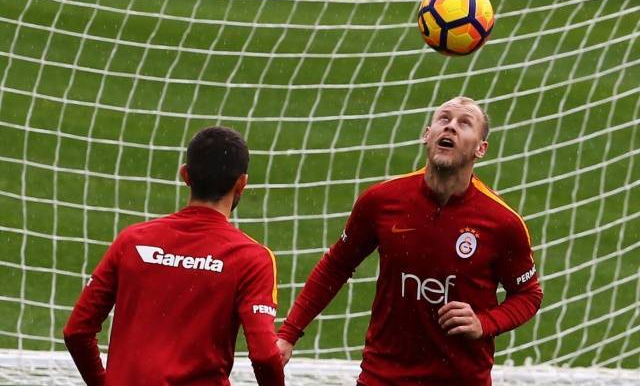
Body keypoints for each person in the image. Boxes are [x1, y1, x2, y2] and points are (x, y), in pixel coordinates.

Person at [277, 97, 543, 385]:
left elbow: (528, 294)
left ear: (481, 148)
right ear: (427, 134)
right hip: (382, 377)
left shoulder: (502, 223)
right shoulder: (382, 201)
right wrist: (288, 334)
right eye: (444, 119)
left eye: (464, 123)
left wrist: (485, 322)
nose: (451, 127)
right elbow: (336, 266)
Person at [64, 127, 284, 386]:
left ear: (185, 175)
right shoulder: (252, 258)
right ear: (242, 183)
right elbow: (265, 356)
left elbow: (77, 331)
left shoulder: (133, 241)